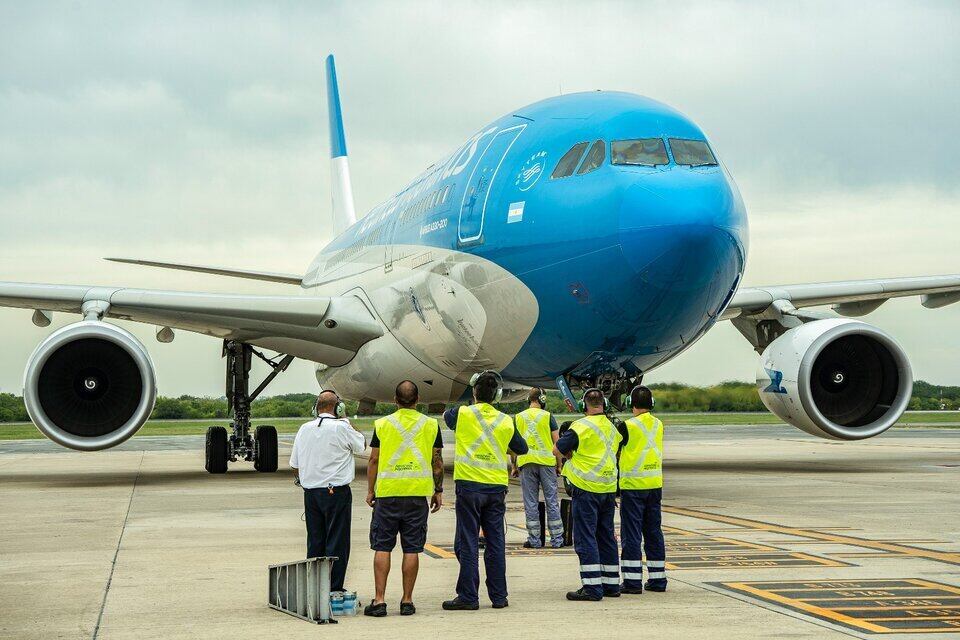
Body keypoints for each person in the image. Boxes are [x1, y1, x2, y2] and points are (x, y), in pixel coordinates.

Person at [440, 371, 528, 611]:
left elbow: (446, 416)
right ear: (497, 396)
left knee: (467, 541)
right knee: (496, 542)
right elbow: (522, 448)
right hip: (495, 489)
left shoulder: (463, 413)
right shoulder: (506, 420)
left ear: (474, 392)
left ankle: (468, 596)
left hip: (469, 486)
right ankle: (499, 596)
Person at [363, 381, 444, 617]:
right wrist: (438, 490)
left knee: (382, 546)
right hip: (417, 495)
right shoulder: (431, 424)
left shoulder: (382, 424)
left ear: (394, 400)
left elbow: (374, 460)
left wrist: (370, 490)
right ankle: (407, 601)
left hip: (388, 494)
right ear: (418, 400)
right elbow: (437, 461)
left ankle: (379, 601)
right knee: (412, 548)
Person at [289, 390, 366, 593]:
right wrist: (347, 420)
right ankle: (333, 588)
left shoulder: (304, 428)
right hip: (336, 492)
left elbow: (295, 464)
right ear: (338, 408)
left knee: (315, 541)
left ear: (316, 408)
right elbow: (361, 445)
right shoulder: (342, 427)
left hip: (311, 493)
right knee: (337, 541)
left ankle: (314, 588)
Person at [554, 388, 623, 601]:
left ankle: (592, 587)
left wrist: (570, 455)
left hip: (586, 488)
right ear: (604, 405)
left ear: (583, 406)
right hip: (608, 489)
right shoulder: (612, 427)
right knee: (606, 536)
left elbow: (557, 449)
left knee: (585, 538)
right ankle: (611, 584)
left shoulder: (580, 426)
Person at [618, 385, 667, 594]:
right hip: (654, 486)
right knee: (654, 533)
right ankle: (658, 580)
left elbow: (614, 449)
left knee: (632, 535)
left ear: (631, 403)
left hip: (633, 487)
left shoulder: (627, 426)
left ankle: (632, 582)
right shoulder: (658, 424)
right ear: (652, 404)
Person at [512, 387, 563, 549]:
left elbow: (514, 445)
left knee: (531, 502)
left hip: (526, 462)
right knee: (552, 501)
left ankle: (534, 540)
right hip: (546, 463)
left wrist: (514, 465)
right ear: (542, 400)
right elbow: (557, 442)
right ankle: (557, 539)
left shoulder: (518, 417)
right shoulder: (548, 416)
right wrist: (559, 464)